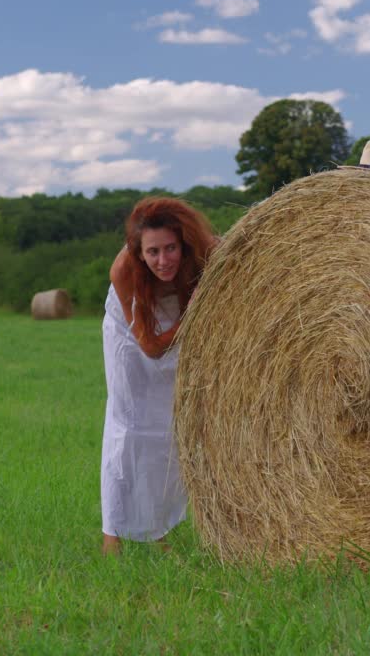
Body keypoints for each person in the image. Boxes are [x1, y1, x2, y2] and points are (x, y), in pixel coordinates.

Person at [101, 196, 216, 555]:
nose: (163, 261)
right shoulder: (124, 271)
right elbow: (150, 346)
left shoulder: (208, 252)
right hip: (133, 330)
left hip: (184, 313)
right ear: (139, 253)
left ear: (185, 243)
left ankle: (154, 532)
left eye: (171, 248)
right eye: (153, 252)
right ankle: (113, 536)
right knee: (130, 426)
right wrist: (195, 313)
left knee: (172, 425)